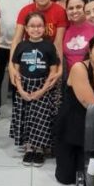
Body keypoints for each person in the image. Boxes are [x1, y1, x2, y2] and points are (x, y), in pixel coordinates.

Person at [55, 34, 94, 184]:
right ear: (90, 51)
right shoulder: (79, 68)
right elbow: (91, 105)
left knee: (91, 181)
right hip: (72, 128)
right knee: (66, 178)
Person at [10, 12, 61, 167]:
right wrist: (21, 90)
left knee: (41, 119)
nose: (36, 29)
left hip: (42, 88)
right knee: (26, 118)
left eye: (39, 26)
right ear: (26, 28)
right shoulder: (21, 46)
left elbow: (53, 71)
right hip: (24, 87)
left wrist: (42, 90)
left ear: (44, 28)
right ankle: (29, 148)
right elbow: (16, 71)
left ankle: (39, 149)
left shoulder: (49, 46)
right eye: (32, 26)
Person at [7, 0, 67, 89]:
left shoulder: (59, 11)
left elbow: (58, 43)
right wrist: (11, 65)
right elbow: (17, 40)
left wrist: (59, 68)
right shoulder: (25, 11)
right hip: (28, 60)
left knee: (49, 93)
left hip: (50, 61)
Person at [62, 0, 94, 73]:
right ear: (66, 11)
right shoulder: (65, 28)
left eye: (78, 7)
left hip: (92, 75)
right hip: (70, 78)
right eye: (71, 8)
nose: (74, 11)